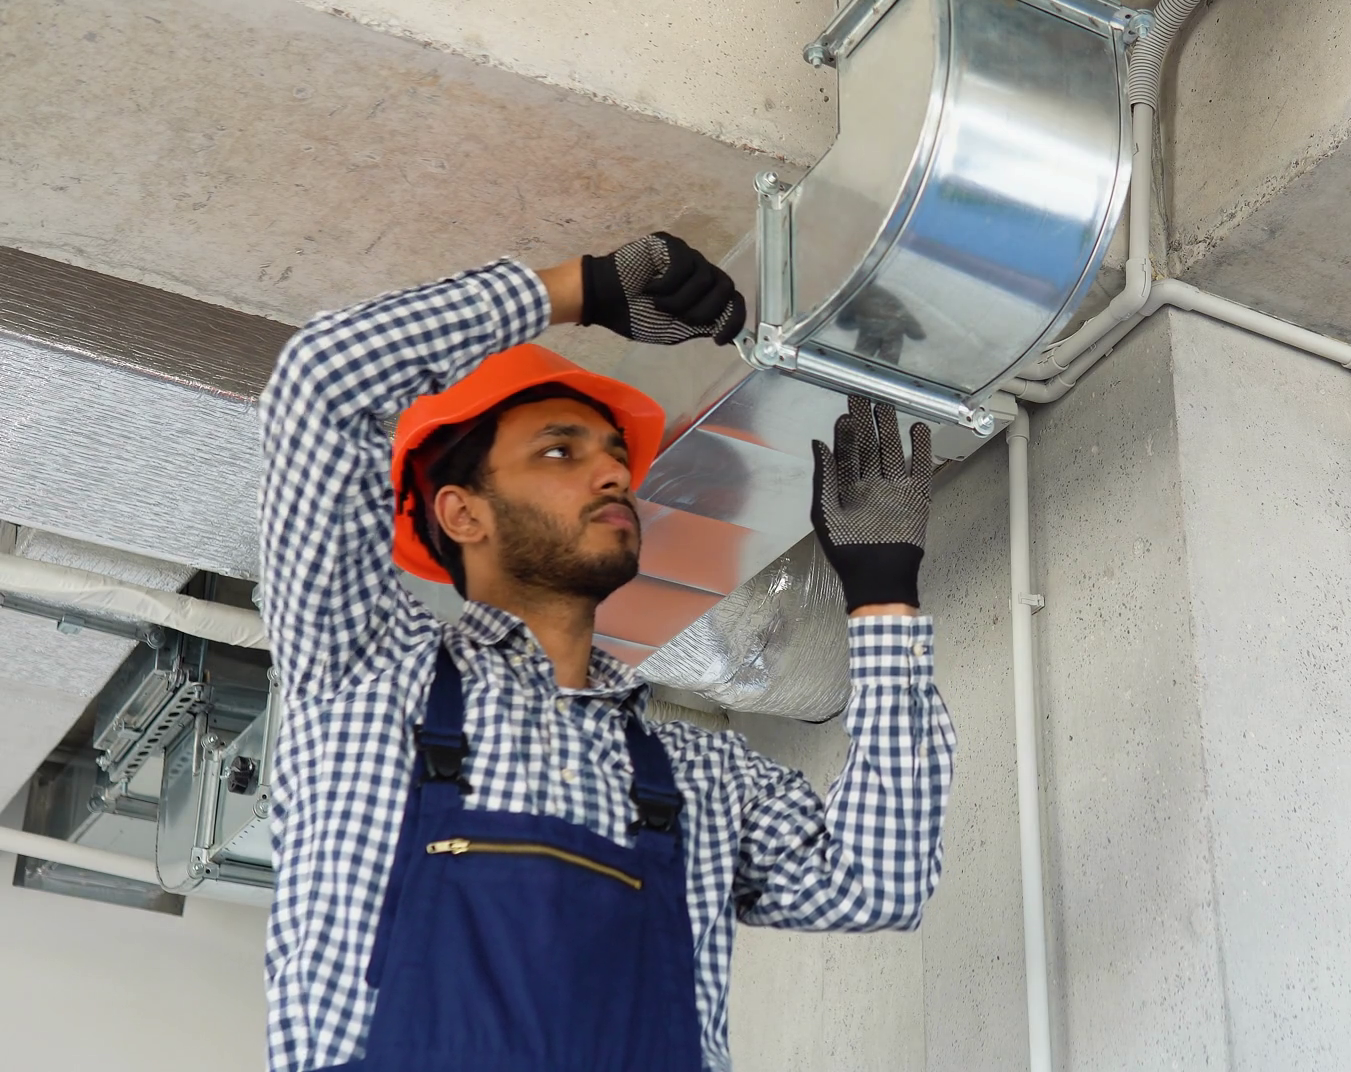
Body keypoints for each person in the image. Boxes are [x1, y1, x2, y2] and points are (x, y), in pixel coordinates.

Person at [255, 232, 956, 1072]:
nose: (613, 474)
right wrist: (581, 289)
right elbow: (320, 378)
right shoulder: (363, 675)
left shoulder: (701, 775)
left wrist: (882, 594)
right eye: (561, 451)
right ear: (461, 513)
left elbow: (877, 881)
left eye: (616, 455)